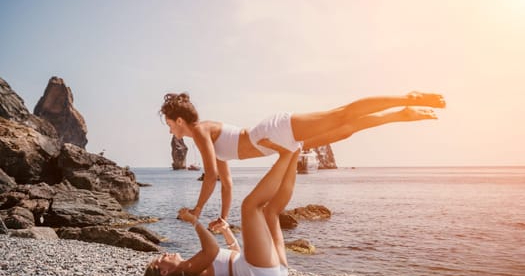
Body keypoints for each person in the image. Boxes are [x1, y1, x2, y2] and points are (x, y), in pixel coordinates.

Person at [160, 91, 446, 226]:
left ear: (180, 120)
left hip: (274, 131)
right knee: (344, 131)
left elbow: (210, 176)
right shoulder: (204, 134)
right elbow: (226, 182)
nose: (170, 129)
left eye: (170, 123)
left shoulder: (199, 131)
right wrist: (223, 216)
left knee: (341, 114)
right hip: (277, 144)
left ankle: (408, 99)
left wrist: (197, 210)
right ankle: (399, 115)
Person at [143, 141, 300, 276]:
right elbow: (212, 249)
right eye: (160, 260)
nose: (163, 254)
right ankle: (286, 155)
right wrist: (194, 221)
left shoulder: (190, 265)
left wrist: (226, 232)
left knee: (270, 213)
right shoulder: (188, 272)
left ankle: (294, 153)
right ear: (164, 272)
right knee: (250, 206)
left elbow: (236, 259)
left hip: (269, 273)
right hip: (259, 274)